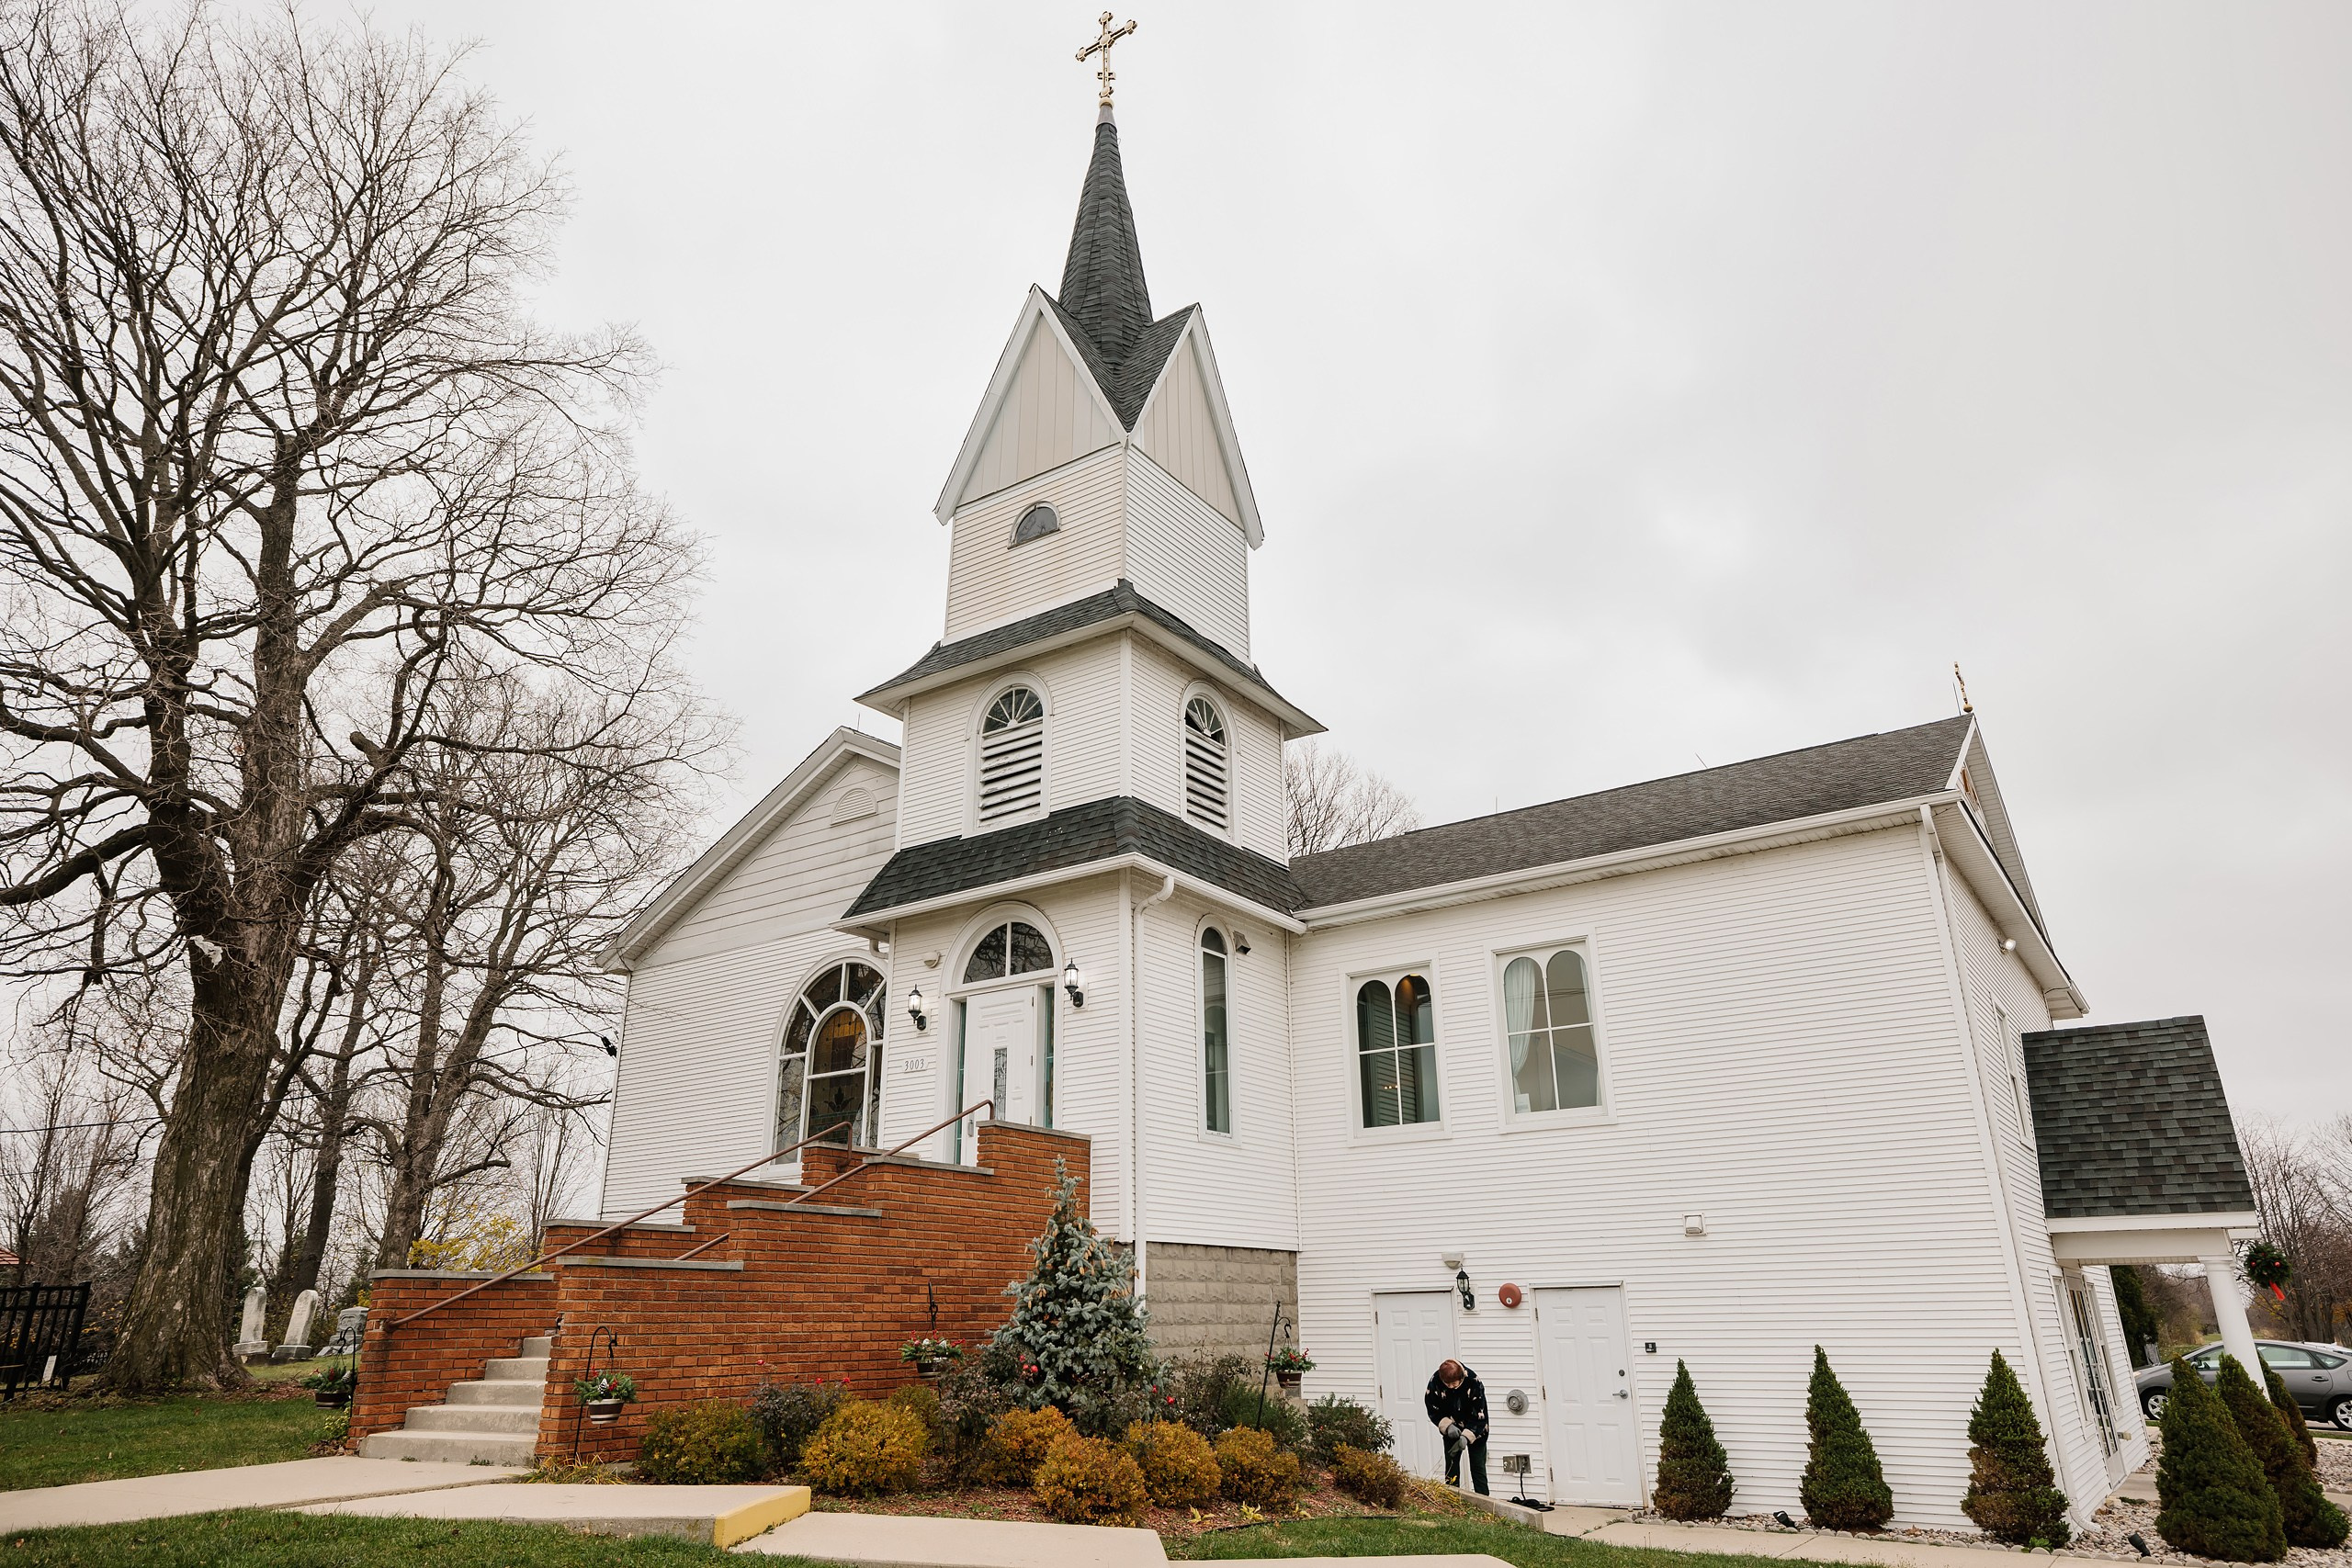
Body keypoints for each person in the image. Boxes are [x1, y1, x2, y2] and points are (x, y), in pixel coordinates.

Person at [1424, 1358, 1489, 1495]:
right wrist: (1446, 1425)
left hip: (1476, 1430)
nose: (1450, 1387)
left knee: (1478, 1468)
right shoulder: (1435, 1381)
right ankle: (1452, 1500)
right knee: (1451, 1468)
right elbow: (1432, 1407)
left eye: (1454, 1384)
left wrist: (1467, 1436)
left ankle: (1485, 1503)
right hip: (1451, 1430)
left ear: (1461, 1378)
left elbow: (1480, 1414)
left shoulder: (1473, 1381)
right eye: (1447, 1384)